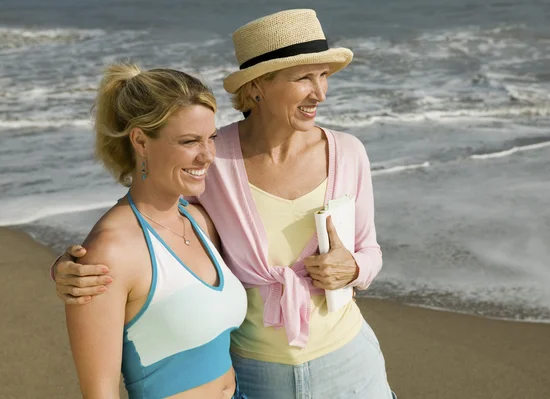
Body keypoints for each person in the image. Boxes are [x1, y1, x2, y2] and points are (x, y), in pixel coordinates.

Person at [52, 9, 396, 399]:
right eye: (303, 77)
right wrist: (74, 268)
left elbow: (370, 250)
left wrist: (352, 266)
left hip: (349, 363)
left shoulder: (348, 153)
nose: (320, 92)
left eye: (324, 76)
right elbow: (146, 221)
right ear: (256, 87)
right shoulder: (213, 161)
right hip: (253, 374)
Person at [62, 63, 248, 399]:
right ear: (141, 142)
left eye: (212, 138)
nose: (207, 155)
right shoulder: (110, 252)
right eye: (190, 141)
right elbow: (100, 393)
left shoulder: (199, 221)